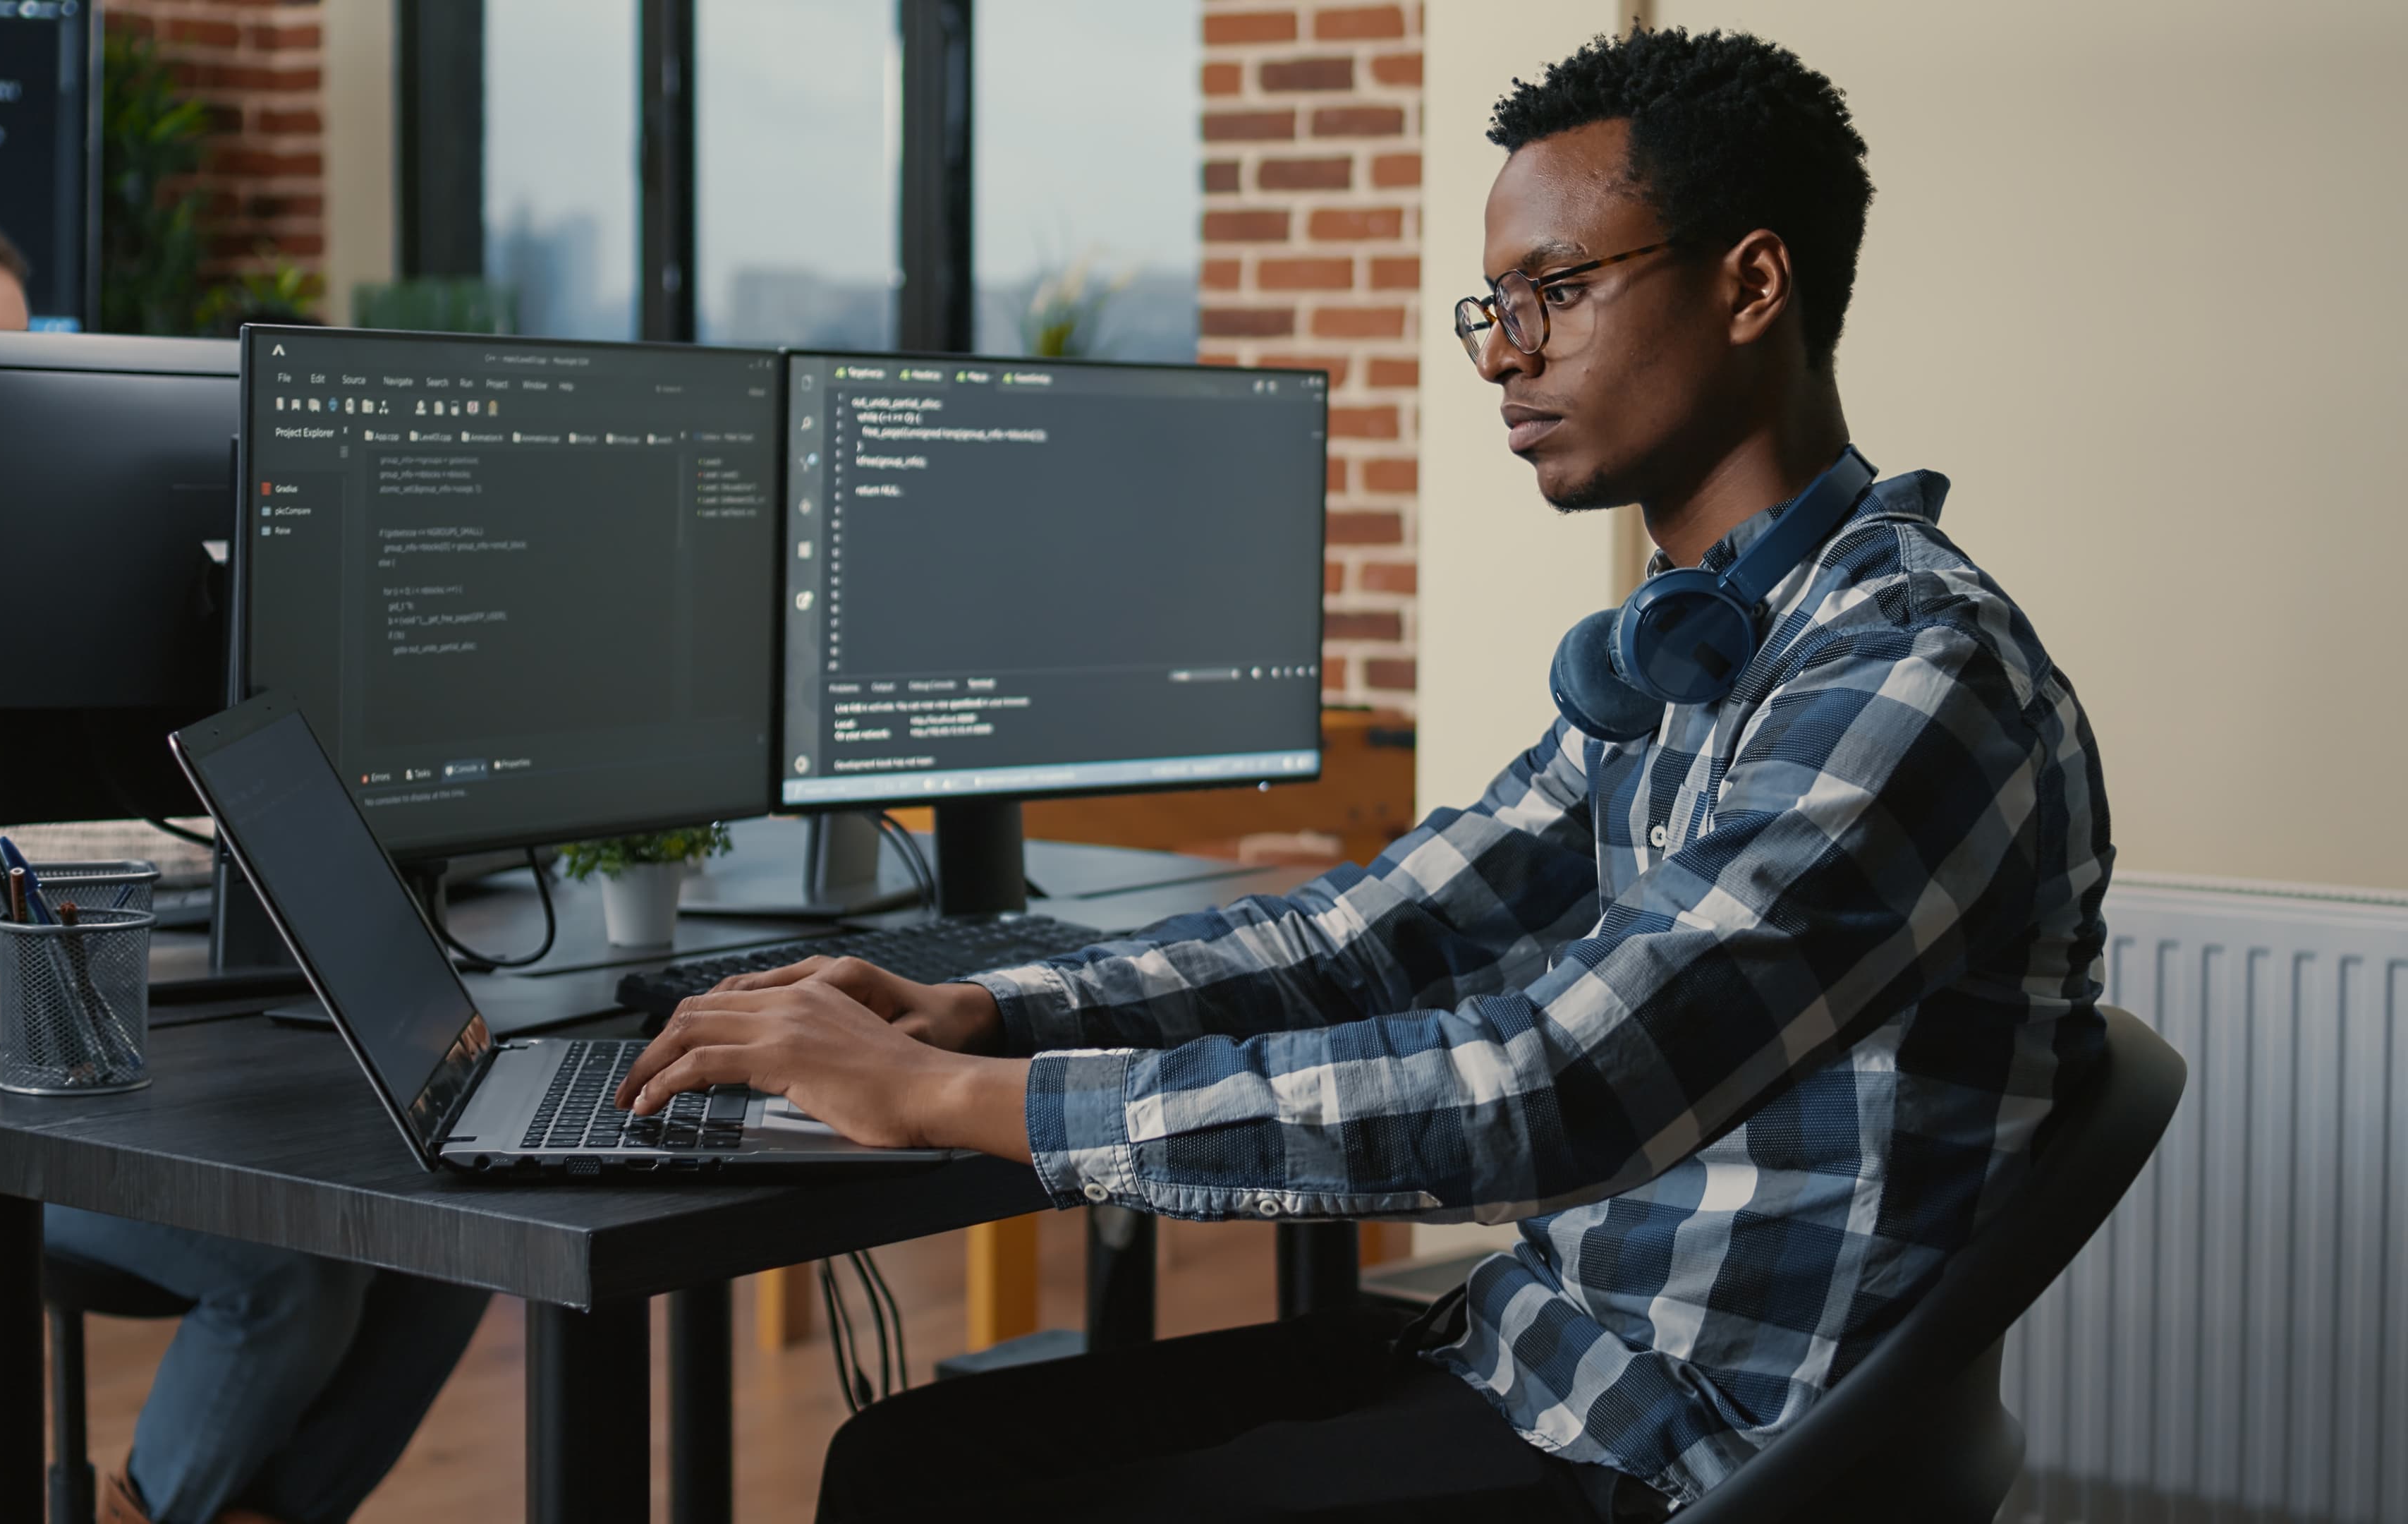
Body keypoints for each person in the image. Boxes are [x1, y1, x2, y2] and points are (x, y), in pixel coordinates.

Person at [619, 29, 2111, 1523]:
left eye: (1556, 290)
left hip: (1677, 1452)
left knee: (937, 1500)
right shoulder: (1695, 646)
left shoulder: (1906, 674)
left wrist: (949, 1096)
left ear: (1752, 285)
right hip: (1538, 1356)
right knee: (903, 1460)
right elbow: (1375, 937)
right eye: (1494, 306)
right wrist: (990, 1011)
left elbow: (1550, 1091)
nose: (1504, 353)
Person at [0, 195, 489, 1524]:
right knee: (288, 1270)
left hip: (111, 1030)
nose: (13, 394)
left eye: (28, 358)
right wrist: (231, 823)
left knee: (454, 1221)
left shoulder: (42, 555)